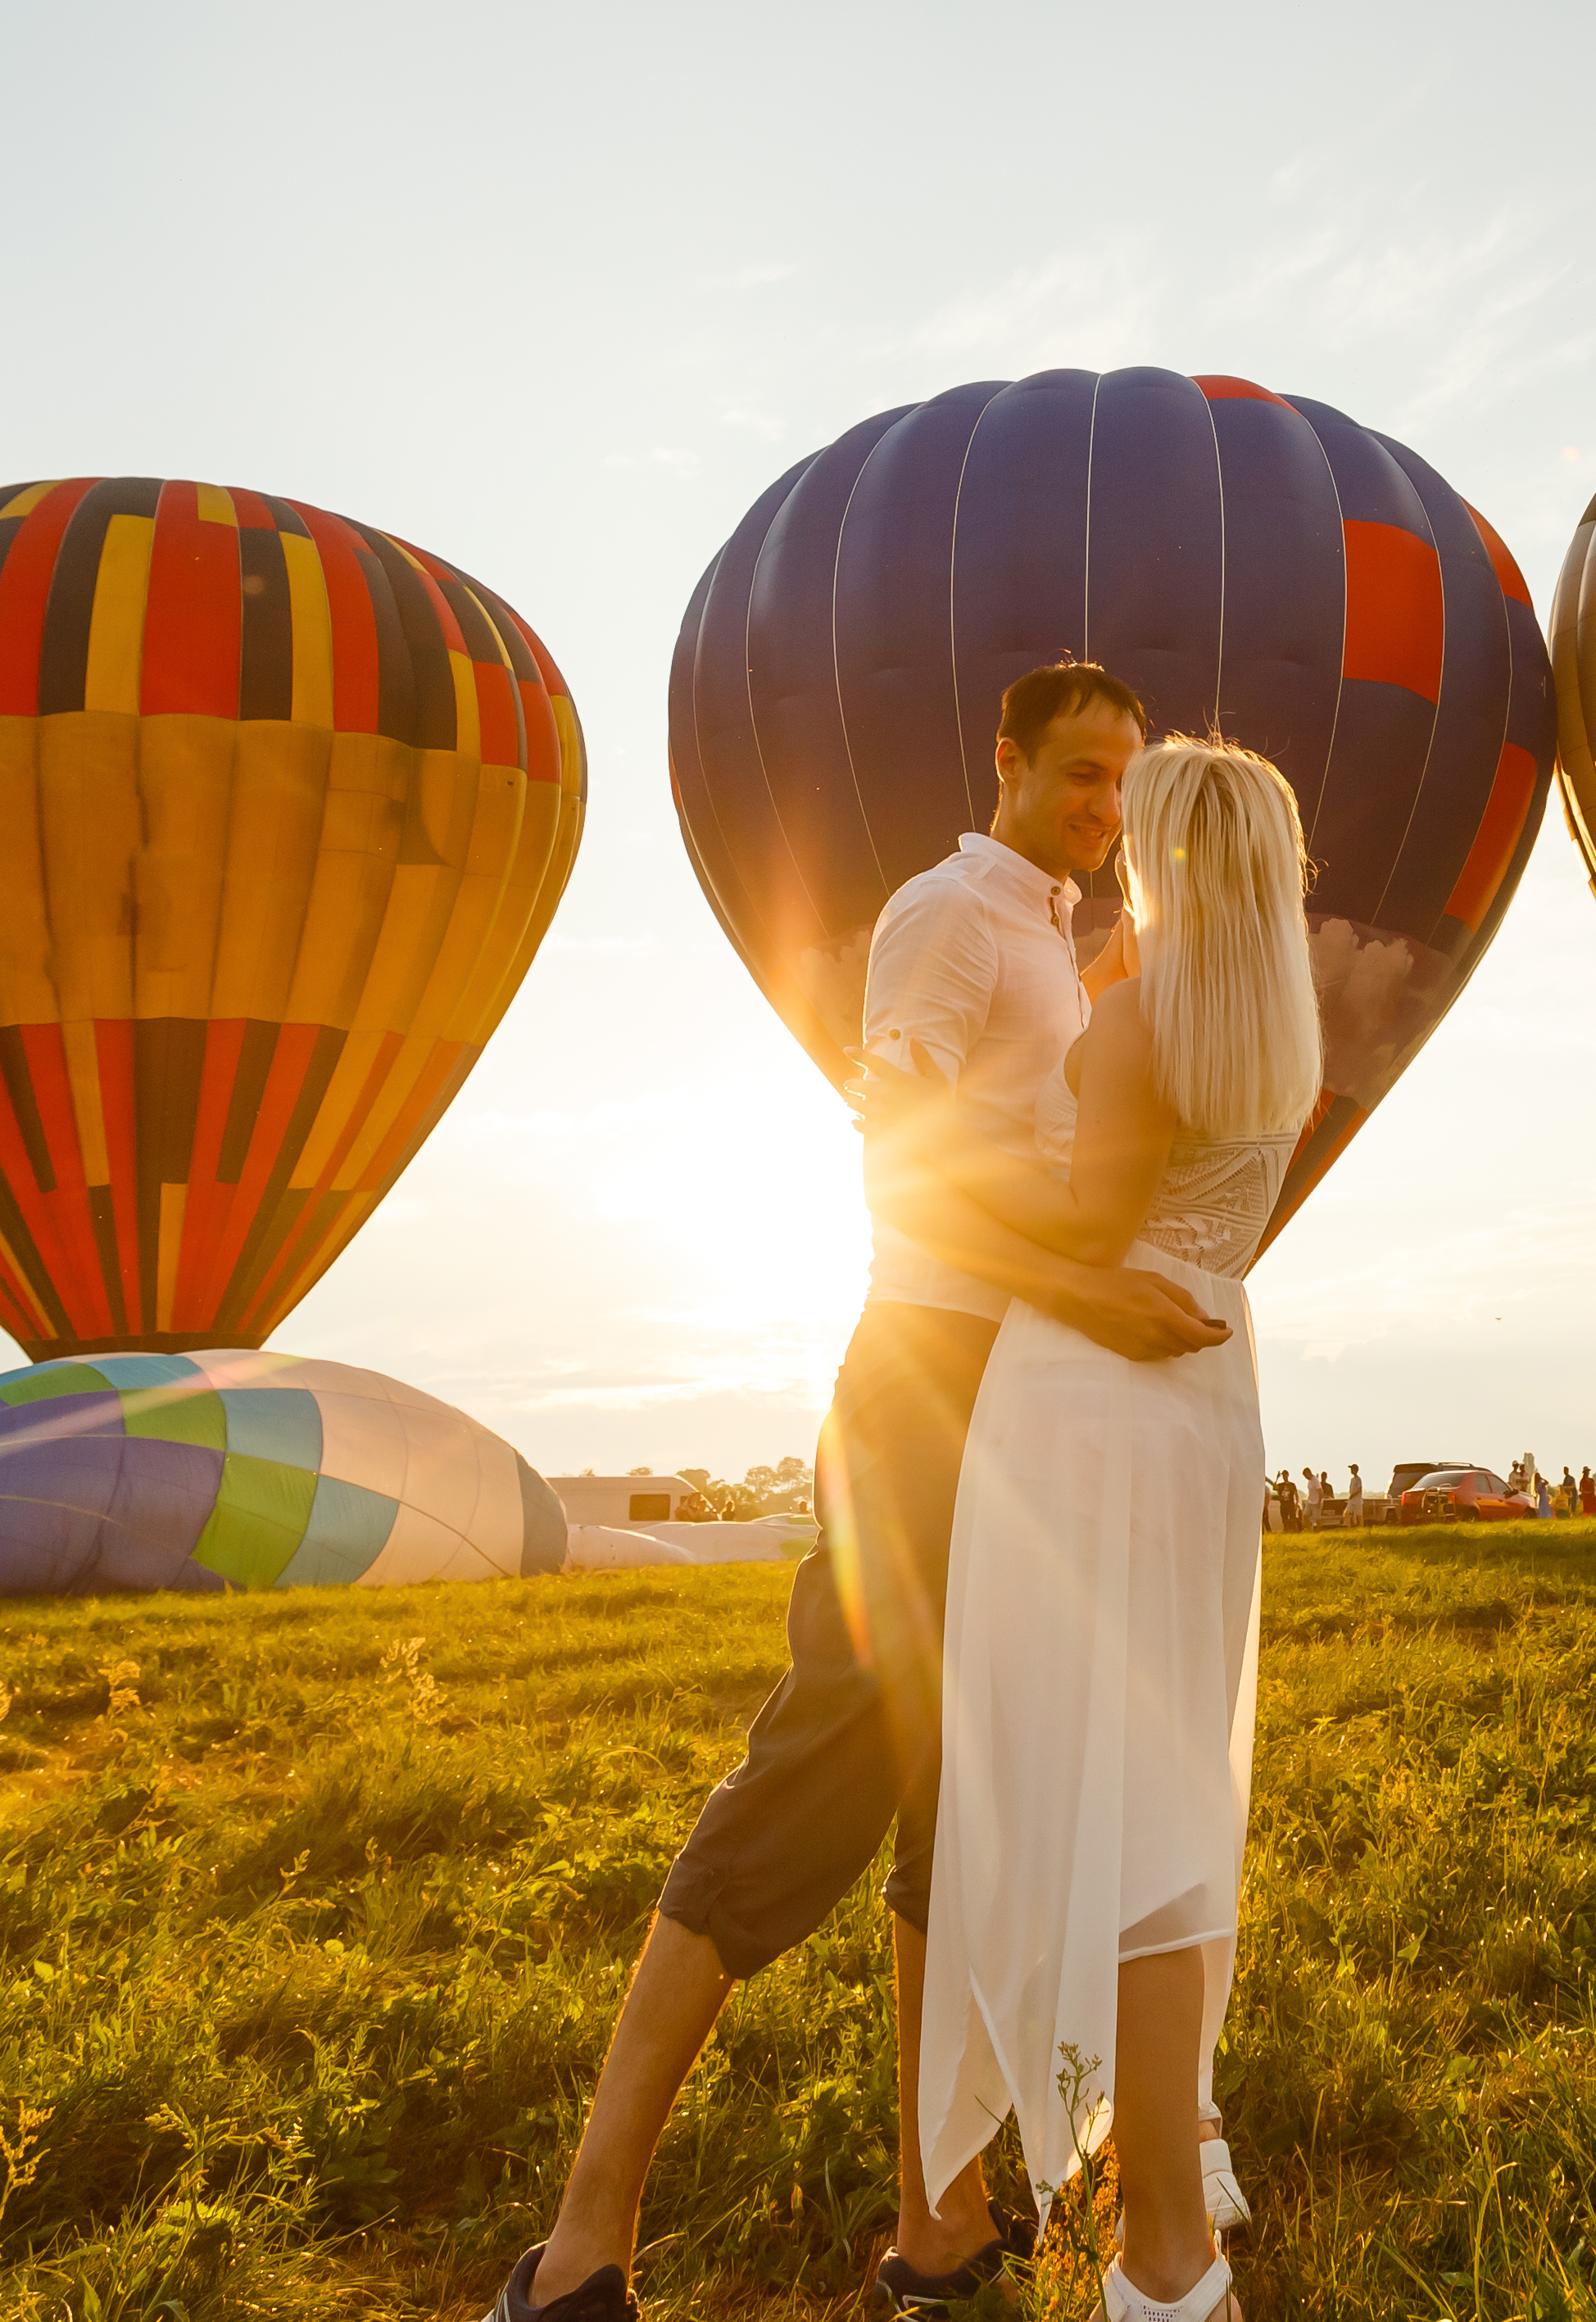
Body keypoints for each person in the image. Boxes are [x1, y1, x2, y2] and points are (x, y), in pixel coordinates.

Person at [494, 665, 1228, 2322]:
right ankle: (580, 2250)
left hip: (1015, 1397)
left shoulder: (1058, 940)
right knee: (813, 1775)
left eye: (1124, 781)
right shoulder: (950, 914)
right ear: (1006, 762)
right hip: (921, 1381)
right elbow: (898, 1160)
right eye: (1079, 773)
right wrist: (1085, 1289)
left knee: (955, 1814)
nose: (1104, 807)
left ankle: (936, 2227)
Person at [889, 736, 1322, 2322]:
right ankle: (1172, 2170)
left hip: (1088, 1401)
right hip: (1205, 1397)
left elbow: (1086, 1228)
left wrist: (939, 1155)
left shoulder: (1138, 1025)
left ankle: (1164, 2251)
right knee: (1168, 1781)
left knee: (1099, 1793)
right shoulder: (1273, 1040)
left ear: (1165, 857)